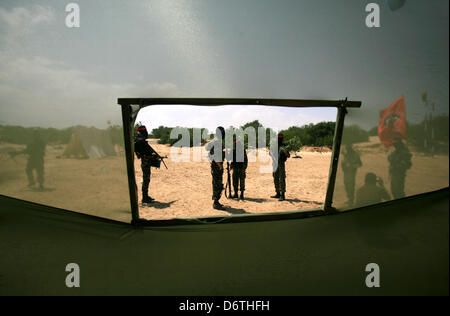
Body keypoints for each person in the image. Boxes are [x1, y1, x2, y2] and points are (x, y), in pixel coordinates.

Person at [134, 125, 159, 204]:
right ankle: (144, 197)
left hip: (145, 161)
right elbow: (144, 152)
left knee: (146, 179)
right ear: (143, 131)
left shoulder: (139, 140)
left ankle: (146, 196)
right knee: (146, 179)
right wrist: (151, 156)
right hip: (145, 162)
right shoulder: (141, 141)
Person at [205, 126, 226, 210]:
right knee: (217, 184)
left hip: (214, 166)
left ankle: (216, 202)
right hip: (217, 167)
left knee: (216, 183)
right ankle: (216, 203)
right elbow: (217, 157)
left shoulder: (214, 141)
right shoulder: (217, 142)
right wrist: (220, 166)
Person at [270, 133, 290, 201]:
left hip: (281, 163)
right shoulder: (274, 145)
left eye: (280, 138)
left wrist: (285, 152)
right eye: (279, 138)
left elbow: (288, 155)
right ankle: (278, 193)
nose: (279, 139)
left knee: (282, 179)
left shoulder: (284, 146)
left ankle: (283, 194)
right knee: (275, 178)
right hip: (275, 163)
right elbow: (270, 153)